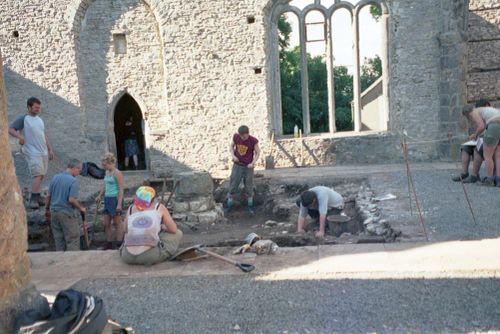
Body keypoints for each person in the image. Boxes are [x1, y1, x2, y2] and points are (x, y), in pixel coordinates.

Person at [9, 97, 55, 209]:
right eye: (35, 107)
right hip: (32, 151)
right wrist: (20, 136)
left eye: (39, 108)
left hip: (43, 151)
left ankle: (38, 196)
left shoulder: (39, 120)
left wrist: (50, 149)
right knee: (37, 174)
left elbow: (43, 135)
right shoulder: (24, 119)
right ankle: (33, 199)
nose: (37, 109)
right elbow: (11, 129)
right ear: (29, 107)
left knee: (42, 175)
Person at [120, 186, 183, 266]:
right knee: (178, 233)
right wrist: (161, 226)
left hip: (127, 256)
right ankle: (158, 254)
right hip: (150, 256)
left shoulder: (131, 208)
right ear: (153, 199)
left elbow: (125, 230)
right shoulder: (159, 207)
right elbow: (173, 229)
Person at [45, 159, 86, 251]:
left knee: (59, 240)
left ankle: (61, 262)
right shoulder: (73, 181)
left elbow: (48, 196)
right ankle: (73, 263)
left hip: (54, 213)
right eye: (79, 170)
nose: (79, 173)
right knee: (73, 240)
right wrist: (81, 208)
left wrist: (47, 209)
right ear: (75, 168)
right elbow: (71, 200)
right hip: (67, 213)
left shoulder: (55, 177)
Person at [452, 99, 490, 182]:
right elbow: (482, 130)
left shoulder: (490, 115)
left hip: (491, 140)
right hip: (483, 138)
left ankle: (474, 175)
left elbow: (482, 127)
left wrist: (476, 135)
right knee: (466, 147)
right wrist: (476, 136)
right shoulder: (480, 115)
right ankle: (464, 173)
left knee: (478, 148)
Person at [462, 103, 500, 186]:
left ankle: (489, 179)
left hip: (494, 125)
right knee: (497, 155)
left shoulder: (474, 112)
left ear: (467, 113)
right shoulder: (484, 110)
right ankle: (498, 179)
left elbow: (481, 126)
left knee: (487, 156)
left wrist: (475, 135)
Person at [226, 125, 261, 214]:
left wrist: (252, 163)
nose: (242, 138)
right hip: (237, 165)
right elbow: (231, 147)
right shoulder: (236, 137)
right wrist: (233, 156)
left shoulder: (253, 140)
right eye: (241, 136)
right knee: (233, 184)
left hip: (248, 166)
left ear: (248, 134)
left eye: (244, 136)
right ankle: (229, 206)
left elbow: (258, 152)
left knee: (249, 185)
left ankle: (250, 207)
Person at [98, 153, 124, 250]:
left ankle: (119, 243)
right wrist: (100, 195)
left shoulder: (117, 173)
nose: (103, 166)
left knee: (117, 223)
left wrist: (119, 204)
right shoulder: (107, 172)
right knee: (106, 223)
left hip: (115, 198)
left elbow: (121, 189)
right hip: (107, 198)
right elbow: (105, 185)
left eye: (105, 165)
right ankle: (109, 243)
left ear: (110, 163)